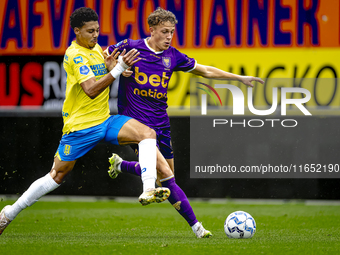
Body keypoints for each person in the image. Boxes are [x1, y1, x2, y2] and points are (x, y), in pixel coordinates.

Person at [0, 7, 172, 236]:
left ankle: (148, 189)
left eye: (98, 30)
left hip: (104, 120)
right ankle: (9, 213)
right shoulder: (75, 54)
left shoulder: (98, 50)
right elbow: (90, 90)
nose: (95, 35)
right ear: (77, 30)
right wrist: (118, 70)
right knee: (57, 175)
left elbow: (105, 78)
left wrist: (114, 68)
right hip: (80, 127)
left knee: (148, 134)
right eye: (90, 31)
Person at [104, 7, 264, 238]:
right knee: (166, 177)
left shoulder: (173, 56)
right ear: (152, 30)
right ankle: (198, 228)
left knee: (167, 178)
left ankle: (120, 165)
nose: (169, 37)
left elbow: (206, 71)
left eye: (172, 32)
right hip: (136, 123)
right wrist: (114, 67)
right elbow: (100, 56)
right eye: (164, 31)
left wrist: (239, 78)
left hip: (161, 122)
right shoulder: (130, 46)